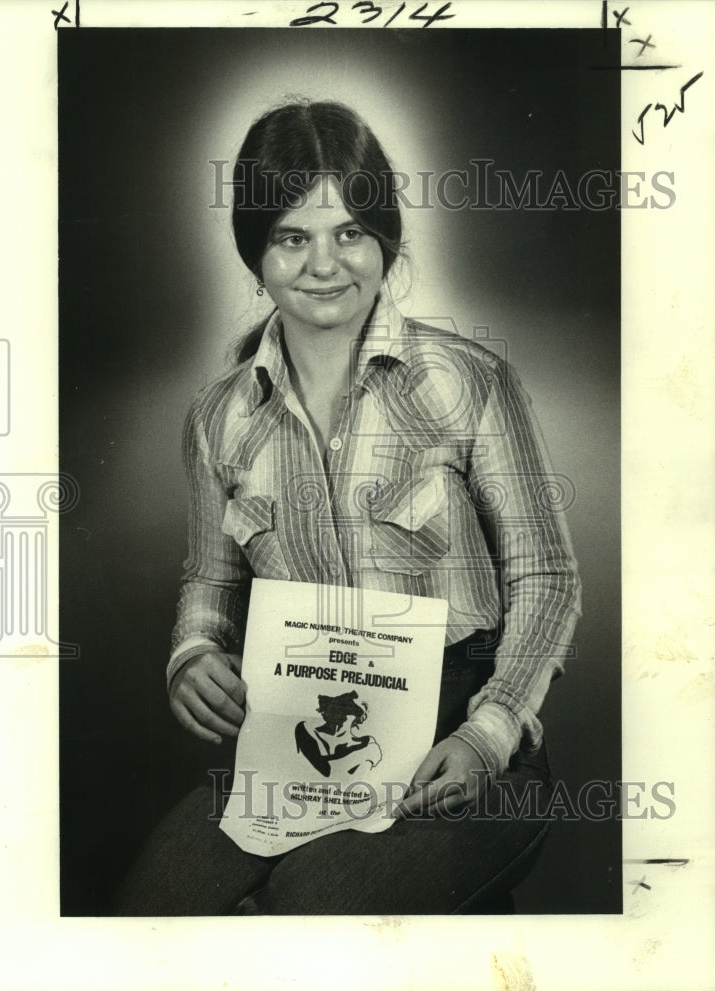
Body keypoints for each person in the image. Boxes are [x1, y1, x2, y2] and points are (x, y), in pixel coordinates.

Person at [113, 100, 581, 916]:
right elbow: (209, 581)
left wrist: (488, 732)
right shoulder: (219, 414)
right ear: (254, 251)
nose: (323, 264)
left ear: (384, 240)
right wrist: (191, 653)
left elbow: (545, 575)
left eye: (349, 233)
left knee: (307, 913)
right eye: (292, 237)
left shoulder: (464, 380)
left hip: (458, 729)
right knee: (150, 912)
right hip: (294, 741)